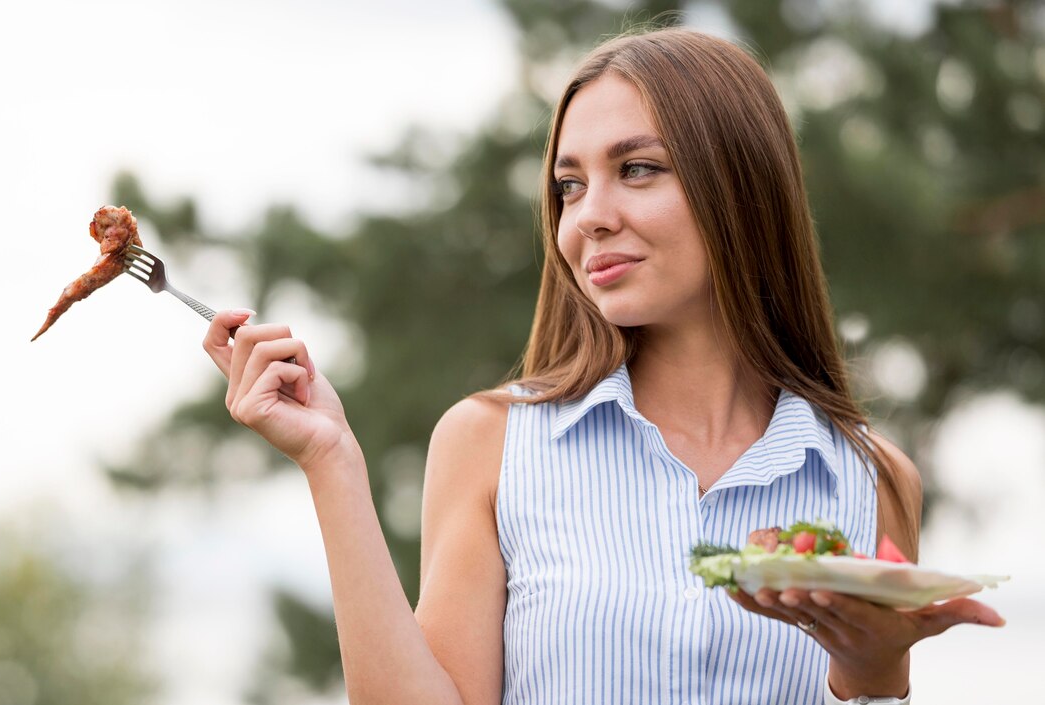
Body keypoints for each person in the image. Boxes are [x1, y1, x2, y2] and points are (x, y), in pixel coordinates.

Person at [202, 27, 1003, 705]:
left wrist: (875, 673)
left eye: (638, 168)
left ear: (742, 184)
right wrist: (333, 462)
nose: (589, 217)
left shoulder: (872, 479)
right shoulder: (490, 443)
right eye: (569, 185)